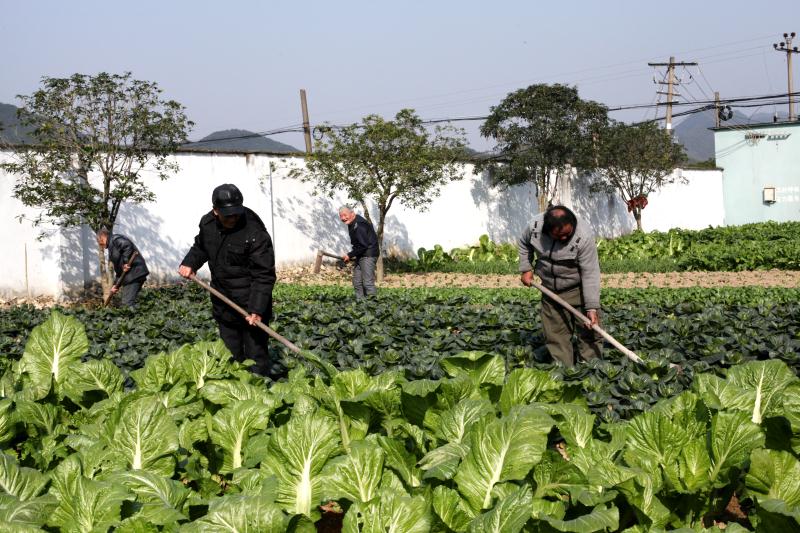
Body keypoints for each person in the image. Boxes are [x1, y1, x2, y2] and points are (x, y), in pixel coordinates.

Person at [178, 184, 281, 379]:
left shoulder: (254, 231)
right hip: (223, 300)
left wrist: (257, 309)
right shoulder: (207, 224)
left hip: (250, 304)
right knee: (230, 354)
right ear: (215, 211)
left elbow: (264, 274)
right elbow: (201, 246)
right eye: (228, 215)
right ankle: (233, 396)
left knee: (256, 356)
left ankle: (260, 396)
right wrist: (190, 263)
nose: (233, 219)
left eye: (236, 214)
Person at [518, 205, 603, 366]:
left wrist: (591, 307)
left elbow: (590, 272)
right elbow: (524, 243)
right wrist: (526, 268)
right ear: (547, 230)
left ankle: (592, 370)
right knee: (555, 334)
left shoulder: (583, 236)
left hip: (578, 289)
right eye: (559, 236)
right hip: (549, 290)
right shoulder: (535, 227)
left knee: (589, 332)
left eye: (567, 234)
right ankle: (565, 372)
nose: (564, 238)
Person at [97, 229, 149, 308]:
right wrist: (115, 285)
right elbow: (119, 271)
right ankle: (141, 316)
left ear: (102, 237)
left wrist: (126, 262)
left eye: (99, 241)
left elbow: (127, 245)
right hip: (130, 277)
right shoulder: (111, 248)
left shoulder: (115, 239)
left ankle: (138, 318)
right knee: (127, 302)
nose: (100, 245)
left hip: (135, 274)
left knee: (127, 303)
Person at [338, 206, 379, 299]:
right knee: (357, 282)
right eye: (341, 216)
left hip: (368, 255)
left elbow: (363, 245)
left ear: (352, 214)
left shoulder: (359, 225)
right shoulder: (352, 223)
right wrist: (352, 255)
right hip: (361, 254)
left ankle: (374, 307)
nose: (343, 218)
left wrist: (349, 255)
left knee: (367, 283)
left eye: (345, 215)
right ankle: (361, 304)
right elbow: (358, 244)